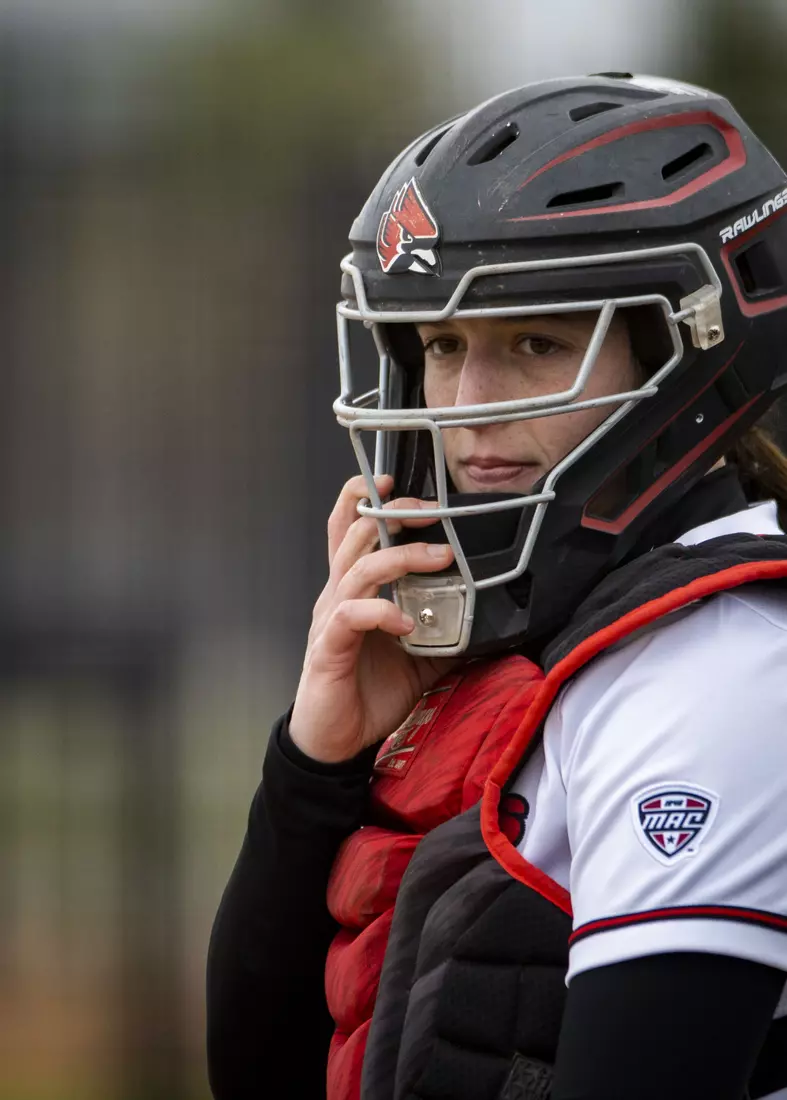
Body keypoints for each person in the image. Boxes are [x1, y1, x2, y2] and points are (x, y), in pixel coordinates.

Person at [206, 74, 787, 1100]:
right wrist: (316, 761)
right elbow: (262, 1069)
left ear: (681, 348)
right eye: (441, 347)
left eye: (534, 342)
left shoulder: (721, 663)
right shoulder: (537, 628)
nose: (467, 408)